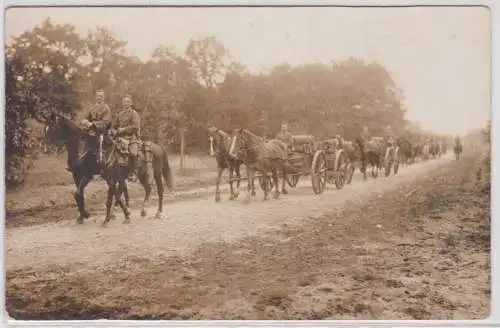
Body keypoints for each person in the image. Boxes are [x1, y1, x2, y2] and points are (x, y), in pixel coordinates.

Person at [75, 89, 112, 170]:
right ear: (95, 97)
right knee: (80, 137)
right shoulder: (92, 108)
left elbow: (105, 122)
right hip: (91, 132)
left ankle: (102, 163)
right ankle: (80, 157)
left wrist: (93, 124)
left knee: (101, 147)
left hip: (102, 132)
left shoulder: (106, 108)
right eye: (97, 96)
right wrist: (85, 121)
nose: (99, 97)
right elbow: (86, 117)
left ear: (103, 98)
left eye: (101, 96)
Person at [112, 94, 141, 182]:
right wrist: (114, 130)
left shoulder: (134, 113)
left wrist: (123, 130)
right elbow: (115, 125)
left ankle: (133, 173)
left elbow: (136, 126)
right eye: (124, 102)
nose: (126, 103)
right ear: (122, 103)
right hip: (120, 139)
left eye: (128, 102)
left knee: (133, 153)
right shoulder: (120, 114)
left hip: (131, 138)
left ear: (131, 103)